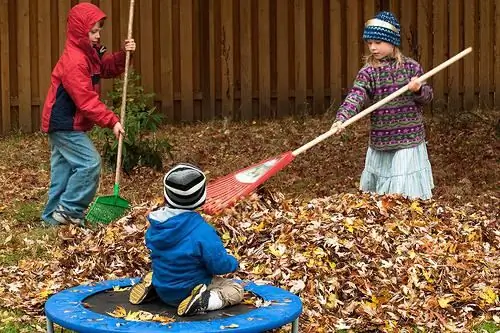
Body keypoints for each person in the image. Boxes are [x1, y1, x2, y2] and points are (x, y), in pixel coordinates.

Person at [40, 3, 136, 226]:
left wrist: (124, 55)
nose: (97, 35)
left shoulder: (89, 53)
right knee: (89, 163)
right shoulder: (75, 61)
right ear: (79, 32)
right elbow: (85, 101)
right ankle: (71, 210)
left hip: (64, 123)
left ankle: (51, 219)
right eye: (93, 31)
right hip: (63, 123)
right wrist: (112, 120)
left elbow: (107, 68)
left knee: (62, 172)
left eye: (99, 30)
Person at [330, 11, 434, 200]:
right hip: (382, 139)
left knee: (403, 190)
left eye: (378, 42)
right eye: (370, 43)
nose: (373, 47)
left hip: (408, 138)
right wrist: (342, 118)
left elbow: (427, 98)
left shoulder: (411, 68)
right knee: (381, 196)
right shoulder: (368, 72)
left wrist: (418, 89)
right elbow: (356, 95)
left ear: (392, 41)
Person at [129, 163, 244, 316]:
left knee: (168, 270)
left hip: (165, 288)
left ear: (166, 196)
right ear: (202, 198)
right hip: (188, 290)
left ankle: (153, 288)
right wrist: (233, 262)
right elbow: (218, 266)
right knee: (235, 290)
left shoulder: (156, 226)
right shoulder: (202, 232)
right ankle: (203, 301)